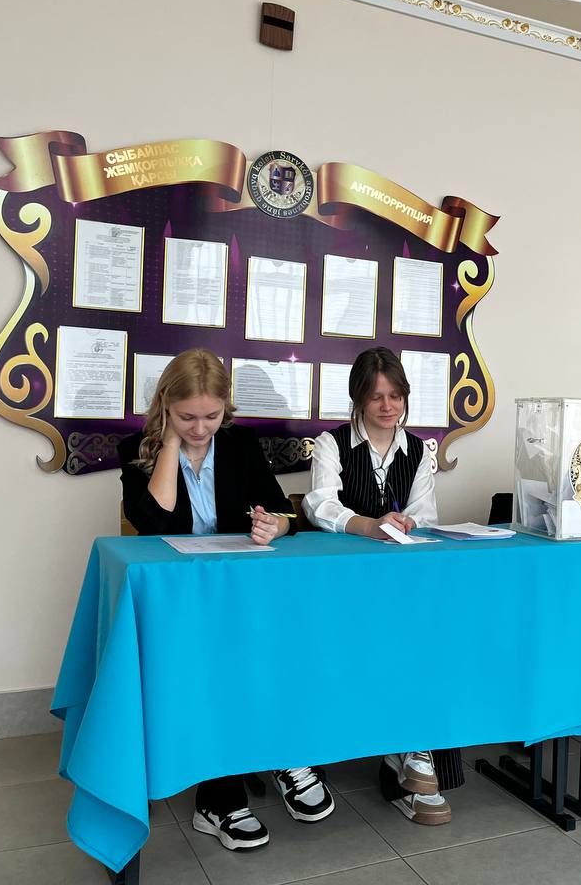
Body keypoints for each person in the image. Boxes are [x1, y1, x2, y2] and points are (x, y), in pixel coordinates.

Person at [118, 348, 336, 851]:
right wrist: (169, 443)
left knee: (288, 642)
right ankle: (221, 797)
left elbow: (285, 512)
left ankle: (281, 752)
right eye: (187, 418)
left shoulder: (240, 445)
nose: (200, 429)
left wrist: (275, 525)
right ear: (165, 406)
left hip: (238, 591)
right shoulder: (136, 449)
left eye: (211, 417)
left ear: (226, 409)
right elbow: (153, 522)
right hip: (177, 599)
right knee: (214, 662)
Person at [304, 346, 460, 826]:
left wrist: (407, 523)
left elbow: (425, 513)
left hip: (398, 582)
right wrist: (368, 525)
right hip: (342, 585)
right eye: (376, 397)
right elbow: (320, 506)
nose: (387, 406)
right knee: (387, 644)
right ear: (358, 399)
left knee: (434, 638)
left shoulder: (417, 451)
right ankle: (408, 751)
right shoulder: (331, 444)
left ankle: (414, 753)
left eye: (395, 396)